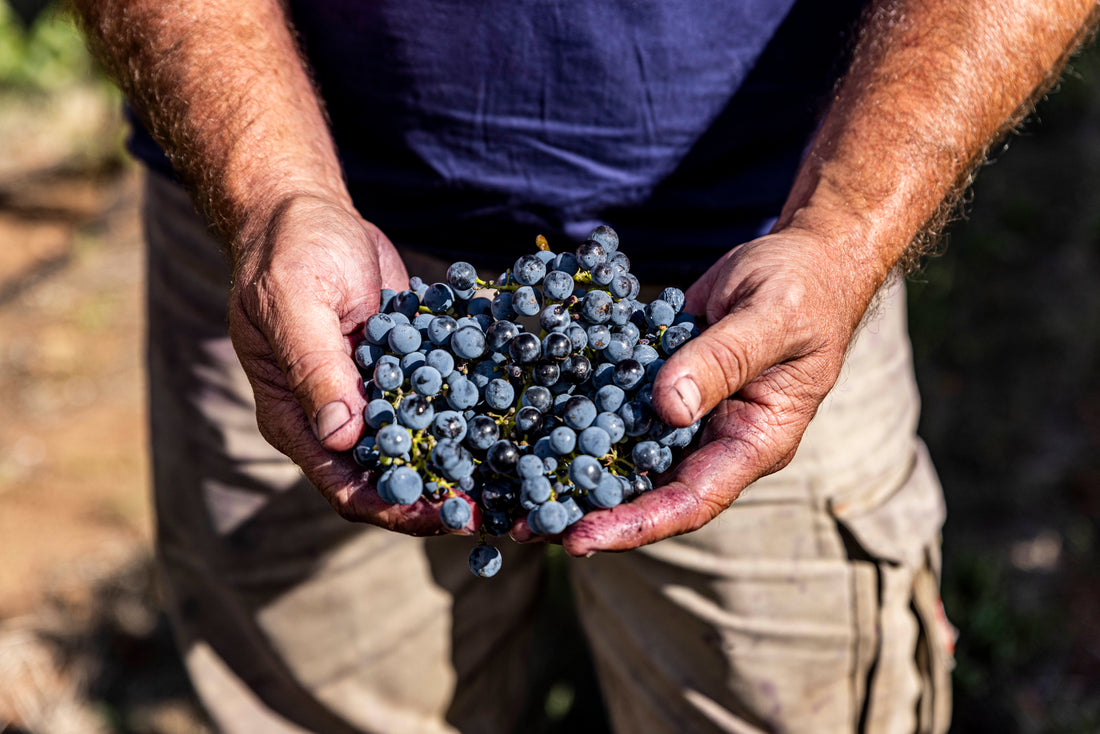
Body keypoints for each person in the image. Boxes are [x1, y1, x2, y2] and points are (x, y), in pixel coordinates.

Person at [73, 0, 1097, 732]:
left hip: (766, 273)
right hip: (293, 261)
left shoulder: (803, 253)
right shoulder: (284, 242)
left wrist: (841, 230)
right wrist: (270, 193)